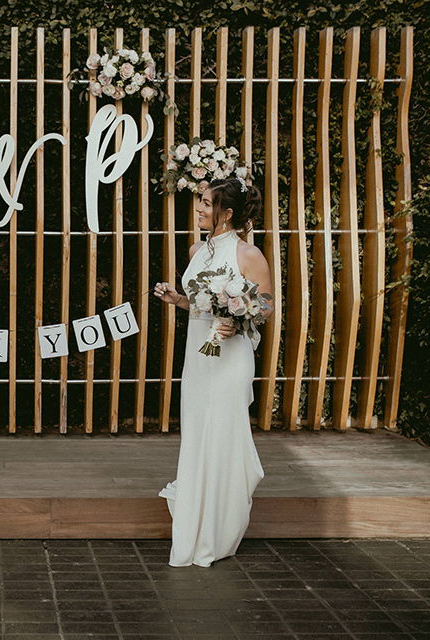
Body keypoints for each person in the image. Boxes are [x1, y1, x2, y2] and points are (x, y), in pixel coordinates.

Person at [153, 176, 272, 567]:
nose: (200, 208)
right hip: (198, 358)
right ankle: (195, 522)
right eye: (201, 202)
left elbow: (266, 307)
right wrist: (178, 300)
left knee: (221, 434)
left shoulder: (248, 254)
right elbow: (201, 305)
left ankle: (218, 530)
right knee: (198, 435)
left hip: (230, 359)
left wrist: (238, 321)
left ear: (228, 212)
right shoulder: (195, 250)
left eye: (206, 203)